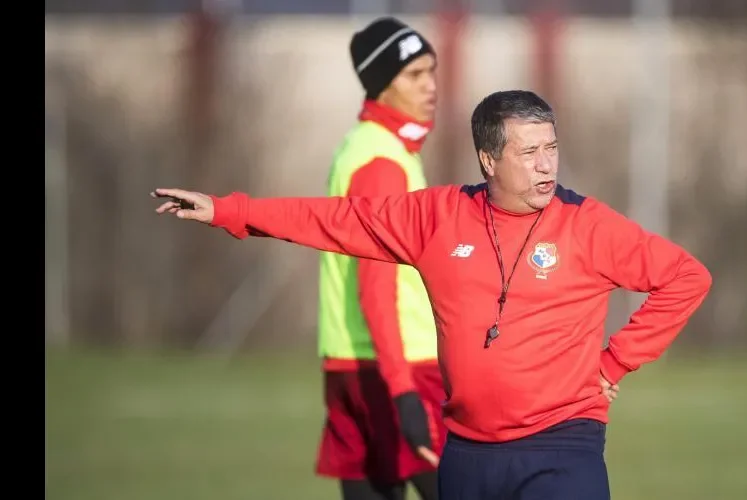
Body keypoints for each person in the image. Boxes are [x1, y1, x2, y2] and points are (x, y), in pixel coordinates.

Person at [152, 89, 712, 500]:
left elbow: (686, 278)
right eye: (529, 152)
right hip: (466, 453)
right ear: (489, 160)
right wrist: (230, 211)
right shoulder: (438, 217)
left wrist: (615, 362)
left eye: (552, 148)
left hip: (563, 447)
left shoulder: (588, 224)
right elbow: (337, 220)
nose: (547, 164)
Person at [314, 16, 442, 500]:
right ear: (380, 83)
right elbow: (377, 283)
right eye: (414, 75)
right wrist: (403, 390)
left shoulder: (362, 145)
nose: (431, 86)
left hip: (349, 364)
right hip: (396, 366)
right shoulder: (383, 163)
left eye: (432, 71)